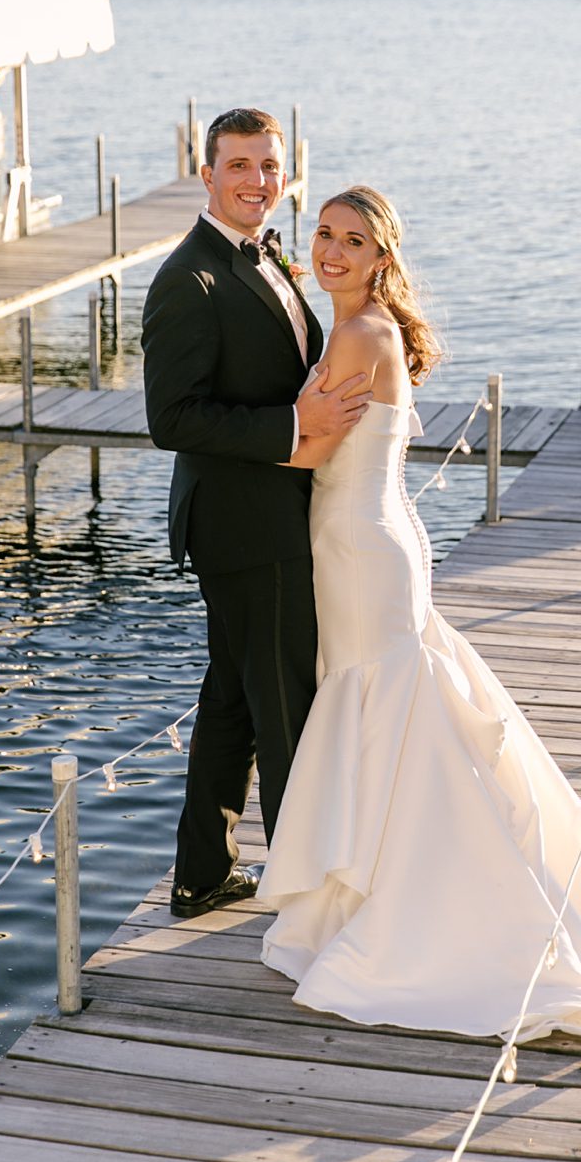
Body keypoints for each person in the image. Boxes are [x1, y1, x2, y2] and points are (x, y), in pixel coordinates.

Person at [257, 186, 581, 1037]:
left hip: (360, 547)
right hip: (374, 538)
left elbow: (308, 451)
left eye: (353, 240)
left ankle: (430, 906)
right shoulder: (365, 327)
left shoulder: (359, 335)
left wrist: (237, 428)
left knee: (390, 717)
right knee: (394, 710)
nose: (331, 251)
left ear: (381, 258)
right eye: (324, 234)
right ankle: (368, 887)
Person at [143, 107, 371, 918]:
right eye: (239, 164)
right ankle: (305, 901)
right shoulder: (189, 278)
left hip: (270, 513)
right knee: (285, 710)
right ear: (206, 173)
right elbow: (171, 418)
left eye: (269, 165)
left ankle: (202, 874)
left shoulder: (265, 253)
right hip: (245, 525)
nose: (257, 179)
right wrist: (291, 427)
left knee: (234, 699)